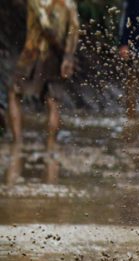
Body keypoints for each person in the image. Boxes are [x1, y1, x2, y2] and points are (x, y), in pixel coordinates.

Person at [7, 0, 79, 151]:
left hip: (34, 53)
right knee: (53, 102)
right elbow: (74, 29)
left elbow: (44, 24)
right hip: (57, 59)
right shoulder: (69, 3)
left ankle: (18, 142)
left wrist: (61, 52)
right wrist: (68, 56)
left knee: (14, 93)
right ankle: (51, 144)